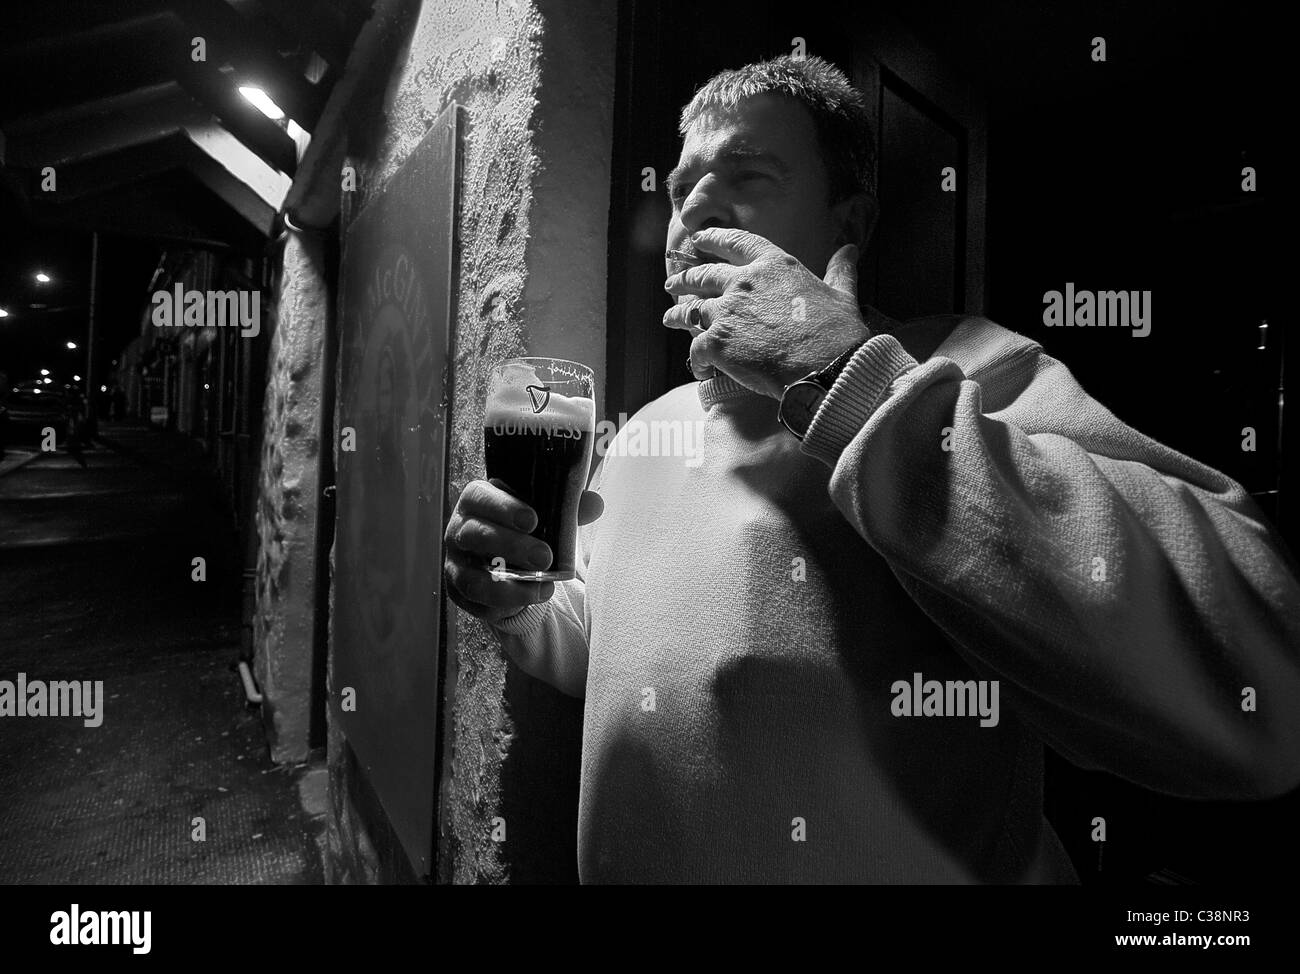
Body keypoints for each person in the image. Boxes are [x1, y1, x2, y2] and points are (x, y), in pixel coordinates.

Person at [443, 55, 1300, 883]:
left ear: (849, 222)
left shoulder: (972, 369)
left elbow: (1262, 681)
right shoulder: (644, 434)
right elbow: (612, 652)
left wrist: (842, 375)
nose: (693, 206)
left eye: (747, 172)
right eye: (676, 189)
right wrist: (522, 607)